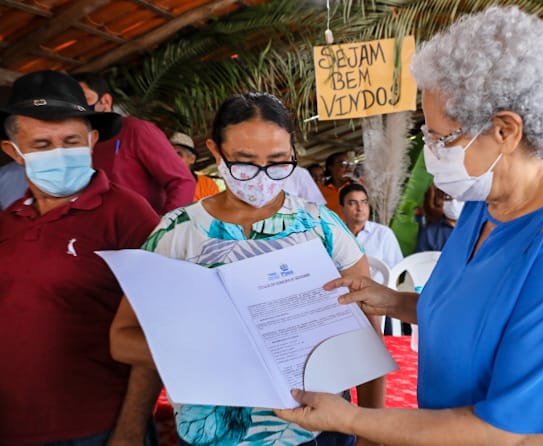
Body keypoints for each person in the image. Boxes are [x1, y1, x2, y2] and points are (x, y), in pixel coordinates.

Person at [276, 7, 543, 445]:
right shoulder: (484, 203)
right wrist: (395, 302)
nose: (431, 154)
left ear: (506, 130)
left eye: (441, 138)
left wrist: (350, 420)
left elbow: (512, 434)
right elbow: (472, 313)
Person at [109, 92, 385, 446]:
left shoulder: (322, 227)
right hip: (215, 433)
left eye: (278, 161)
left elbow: (367, 331)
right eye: (244, 162)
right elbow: (124, 339)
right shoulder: (178, 232)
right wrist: (212, 349)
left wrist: (370, 430)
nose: (262, 177)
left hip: (318, 430)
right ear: (215, 150)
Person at [0, 70, 161, 445]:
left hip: (95, 426)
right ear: (14, 152)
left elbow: (157, 328)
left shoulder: (127, 213)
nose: (58, 153)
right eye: (41, 144)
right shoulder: (8, 222)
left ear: (91, 140)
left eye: (70, 141)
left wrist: (131, 429)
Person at [72, 72, 195, 214]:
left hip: (146, 229)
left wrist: (164, 229)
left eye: (84, 99)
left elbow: (182, 182)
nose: (78, 108)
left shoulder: (136, 130)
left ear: (105, 101)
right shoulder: (74, 145)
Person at [339, 183, 403, 273]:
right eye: (353, 203)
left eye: (364, 202)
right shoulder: (336, 235)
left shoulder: (383, 234)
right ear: (342, 208)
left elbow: (397, 270)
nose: (360, 208)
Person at [170, 131, 223, 201]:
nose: (172, 158)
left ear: (192, 159)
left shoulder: (207, 184)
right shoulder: (158, 184)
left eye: (179, 154)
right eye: (169, 154)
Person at [415, 183, 460, 252]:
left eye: (459, 197)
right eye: (447, 198)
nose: (454, 202)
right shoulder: (431, 234)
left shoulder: (477, 226)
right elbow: (422, 260)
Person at [319, 151, 357, 218]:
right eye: (343, 164)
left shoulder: (357, 189)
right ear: (330, 167)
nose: (348, 168)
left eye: (350, 164)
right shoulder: (320, 191)